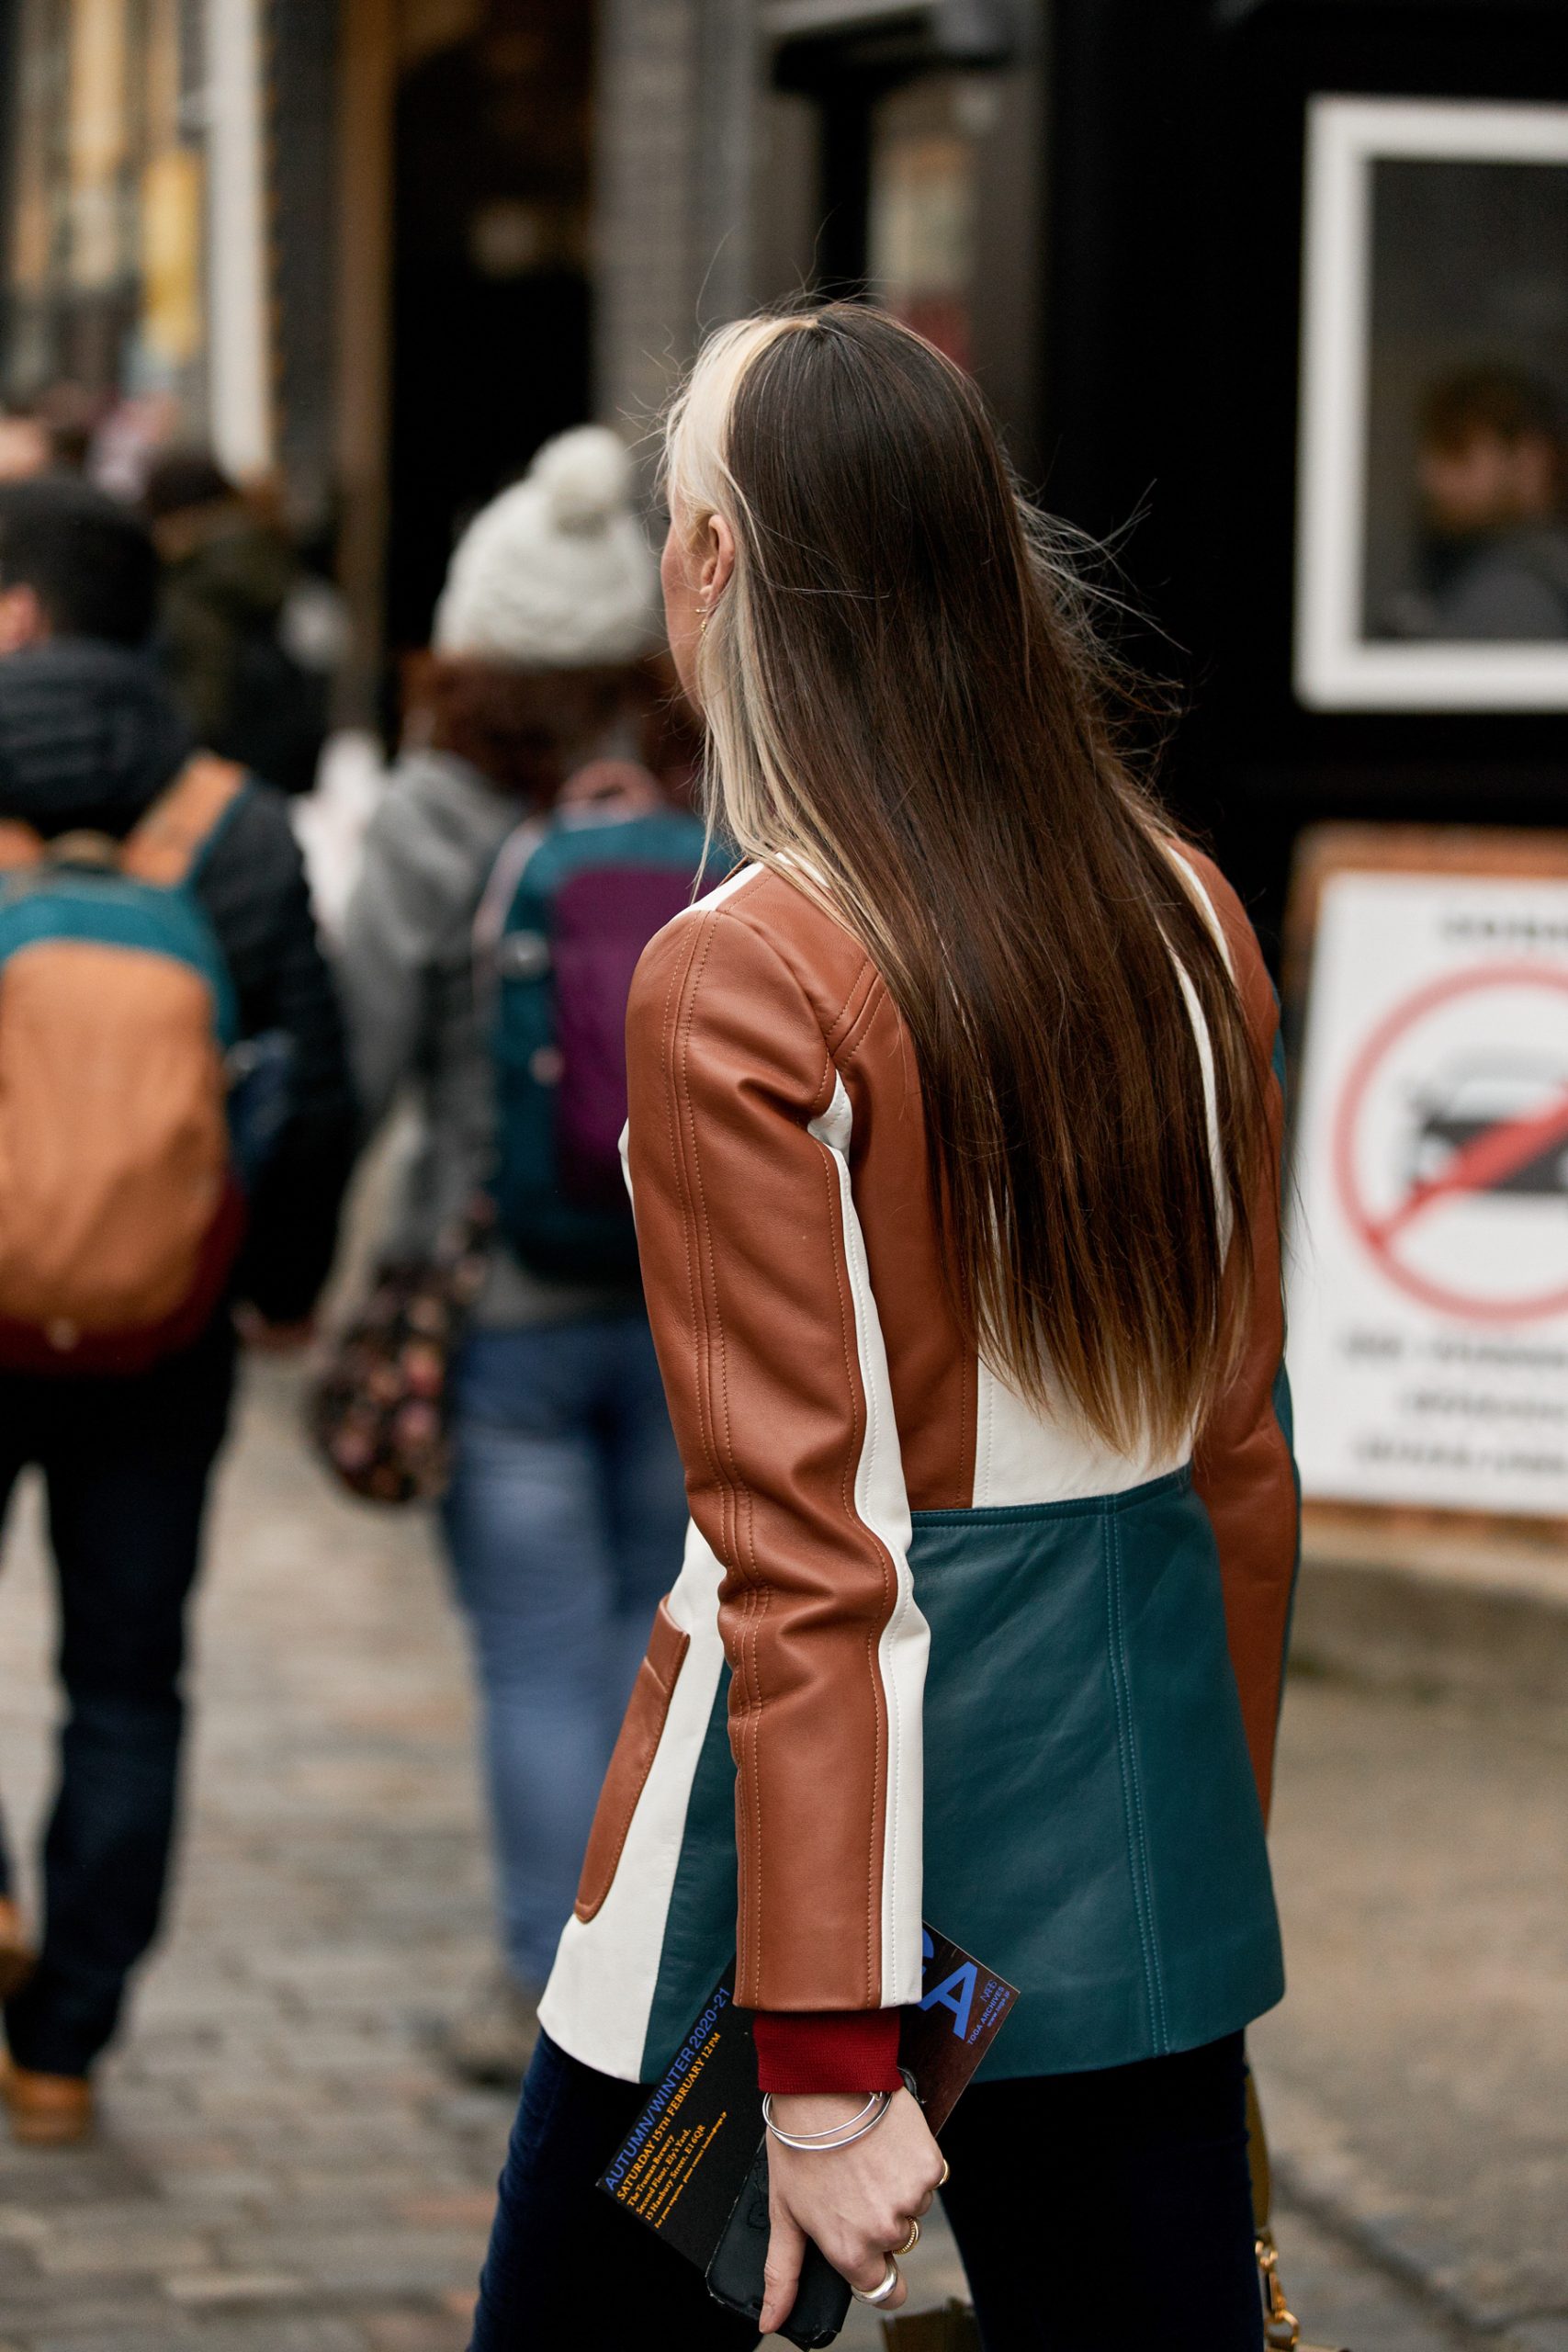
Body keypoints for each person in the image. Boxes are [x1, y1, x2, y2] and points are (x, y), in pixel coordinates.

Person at [467, 306, 1300, 2351]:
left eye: (682, 510)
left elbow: (809, 1545)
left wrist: (830, 2047)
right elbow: (1241, 1460)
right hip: (1126, 1813)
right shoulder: (1182, 903)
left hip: (814, 1882)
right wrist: (1198, 1851)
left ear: (717, 569)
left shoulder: (746, 966)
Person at [0, 477, 357, 2143]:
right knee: (127, 1681)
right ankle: (64, 2046)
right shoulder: (232, 820)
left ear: (18, 616)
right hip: (165, 1330)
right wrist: (277, 1291)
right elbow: (316, 1084)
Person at [339, 426, 694, 2086]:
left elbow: (356, 1050)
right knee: (658, 1647)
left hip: (502, 1303)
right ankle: (678, 1979)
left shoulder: (430, 809)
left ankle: (551, 2008)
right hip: (696, 1306)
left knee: (539, 1661)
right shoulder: (709, 789)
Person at [143, 450, 348, 796]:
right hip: (284, 756)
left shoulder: (185, 573)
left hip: (212, 762)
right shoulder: (271, 552)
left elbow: (200, 686)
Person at [1389, 366, 1568, 640]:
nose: (1429, 476)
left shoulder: (1518, 592)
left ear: (1528, 461)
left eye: (1456, 452)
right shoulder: (1477, 571)